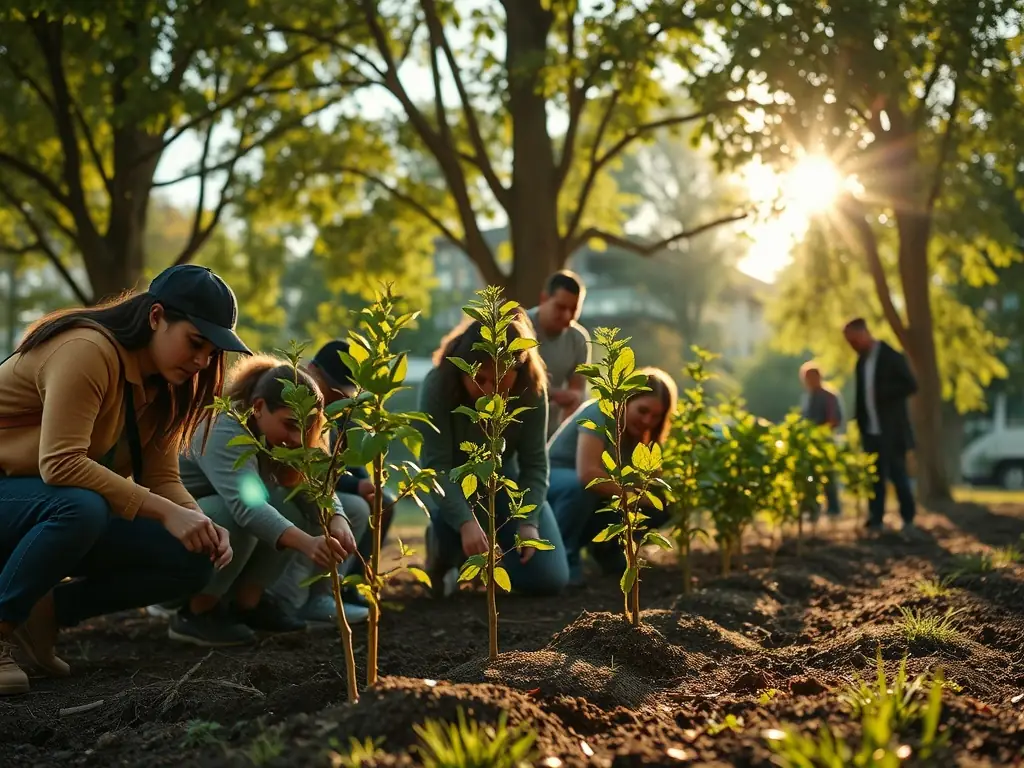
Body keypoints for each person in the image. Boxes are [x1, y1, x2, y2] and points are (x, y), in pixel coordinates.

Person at [0, 264, 245, 695]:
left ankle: (45, 611)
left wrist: (196, 520)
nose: (203, 361)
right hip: (23, 499)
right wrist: (168, 513)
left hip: (37, 507)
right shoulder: (86, 350)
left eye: (212, 352)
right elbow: (60, 464)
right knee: (79, 505)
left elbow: (163, 478)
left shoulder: (163, 386)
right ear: (155, 317)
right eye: (195, 342)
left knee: (191, 554)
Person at [170, 355, 365, 646]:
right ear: (259, 407)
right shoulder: (224, 427)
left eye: (304, 428)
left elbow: (312, 481)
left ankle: (247, 605)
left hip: (210, 525)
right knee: (237, 516)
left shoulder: (279, 437)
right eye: (288, 424)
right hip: (174, 530)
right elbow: (246, 506)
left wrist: (337, 516)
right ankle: (197, 612)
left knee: (290, 508)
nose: (297, 438)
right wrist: (308, 543)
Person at [418, 313, 569, 597]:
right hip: (451, 483)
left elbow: (535, 464)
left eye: (499, 380)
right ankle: (444, 547)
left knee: (549, 578)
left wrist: (528, 522)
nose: (488, 391)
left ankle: (491, 559)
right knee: (452, 520)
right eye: (479, 379)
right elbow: (436, 466)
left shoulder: (532, 391)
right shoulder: (438, 383)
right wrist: (465, 522)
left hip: (504, 482)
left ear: (518, 370)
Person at [268, 340, 393, 623]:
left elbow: (348, 466)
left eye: (345, 392)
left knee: (377, 504)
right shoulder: (291, 403)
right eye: (333, 388)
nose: (337, 397)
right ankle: (293, 597)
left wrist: (365, 484)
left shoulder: (339, 414)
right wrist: (353, 488)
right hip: (289, 487)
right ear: (311, 370)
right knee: (348, 508)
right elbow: (299, 468)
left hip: (320, 488)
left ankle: (346, 586)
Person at [547, 368, 677, 586]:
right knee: (582, 487)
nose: (648, 420)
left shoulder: (640, 436)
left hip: (589, 493)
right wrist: (636, 497)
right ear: (626, 401)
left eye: (656, 416)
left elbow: (647, 481)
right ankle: (564, 558)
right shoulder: (599, 413)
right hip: (555, 482)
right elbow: (588, 474)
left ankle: (608, 549)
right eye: (642, 410)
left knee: (660, 501)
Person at [843, 318, 918, 532]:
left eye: (854, 340)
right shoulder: (861, 362)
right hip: (870, 430)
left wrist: (883, 393)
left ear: (864, 333)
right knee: (875, 477)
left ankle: (908, 518)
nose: (853, 346)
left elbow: (911, 385)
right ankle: (876, 518)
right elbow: (861, 396)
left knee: (898, 475)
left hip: (892, 431)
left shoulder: (891, 356)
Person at [526, 271, 591, 437]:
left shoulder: (578, 339)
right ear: (544, 299)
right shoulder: (521, 328)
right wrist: (554, 394)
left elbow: (577, 392)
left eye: (574, 310)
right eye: (561, 307)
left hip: (552, 431)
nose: (568, 316)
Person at [799, 361, 844, 518]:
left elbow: (834, 420)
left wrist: (820, 433)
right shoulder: (808, 397)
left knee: (828, 476)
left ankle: (833, 510)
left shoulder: (829, 396)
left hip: (825, 443)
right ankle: (812, 509)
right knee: (810, 477)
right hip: (809, 444)